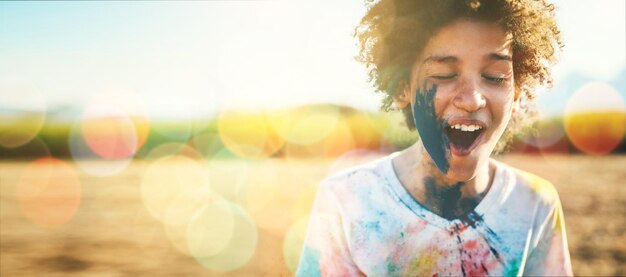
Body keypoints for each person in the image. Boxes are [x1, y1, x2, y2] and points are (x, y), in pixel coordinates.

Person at [296, 0, 573, 276]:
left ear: (516, 93)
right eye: (444, 74)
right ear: (402, 86)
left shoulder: (535, 204)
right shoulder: (346, 202)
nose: (472, 100)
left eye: (494, 76)